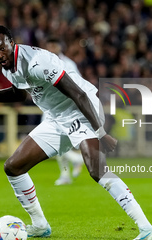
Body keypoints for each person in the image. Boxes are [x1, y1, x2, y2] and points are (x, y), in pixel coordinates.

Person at [0, 25, 152, 240]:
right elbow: (19, 94)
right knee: (13, 167)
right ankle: (40, 225)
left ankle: (147, 228)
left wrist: (100, 132)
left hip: (80, 110)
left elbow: (79, 94)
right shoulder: (8, 67)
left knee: (97, 170)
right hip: (56, 118)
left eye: (1, 49)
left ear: (10, 41)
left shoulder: (38, 62)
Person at [45, 37, 84, 185]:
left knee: (59, 144)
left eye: (54, 45)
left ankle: (77, 162)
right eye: (49, 45)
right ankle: (69, 170)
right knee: (56, 143)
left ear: (59, 47)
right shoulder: (43, 62)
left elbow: (77, 85)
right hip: (49, 107)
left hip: (65, 107)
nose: (51, 48)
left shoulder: (68, 64)